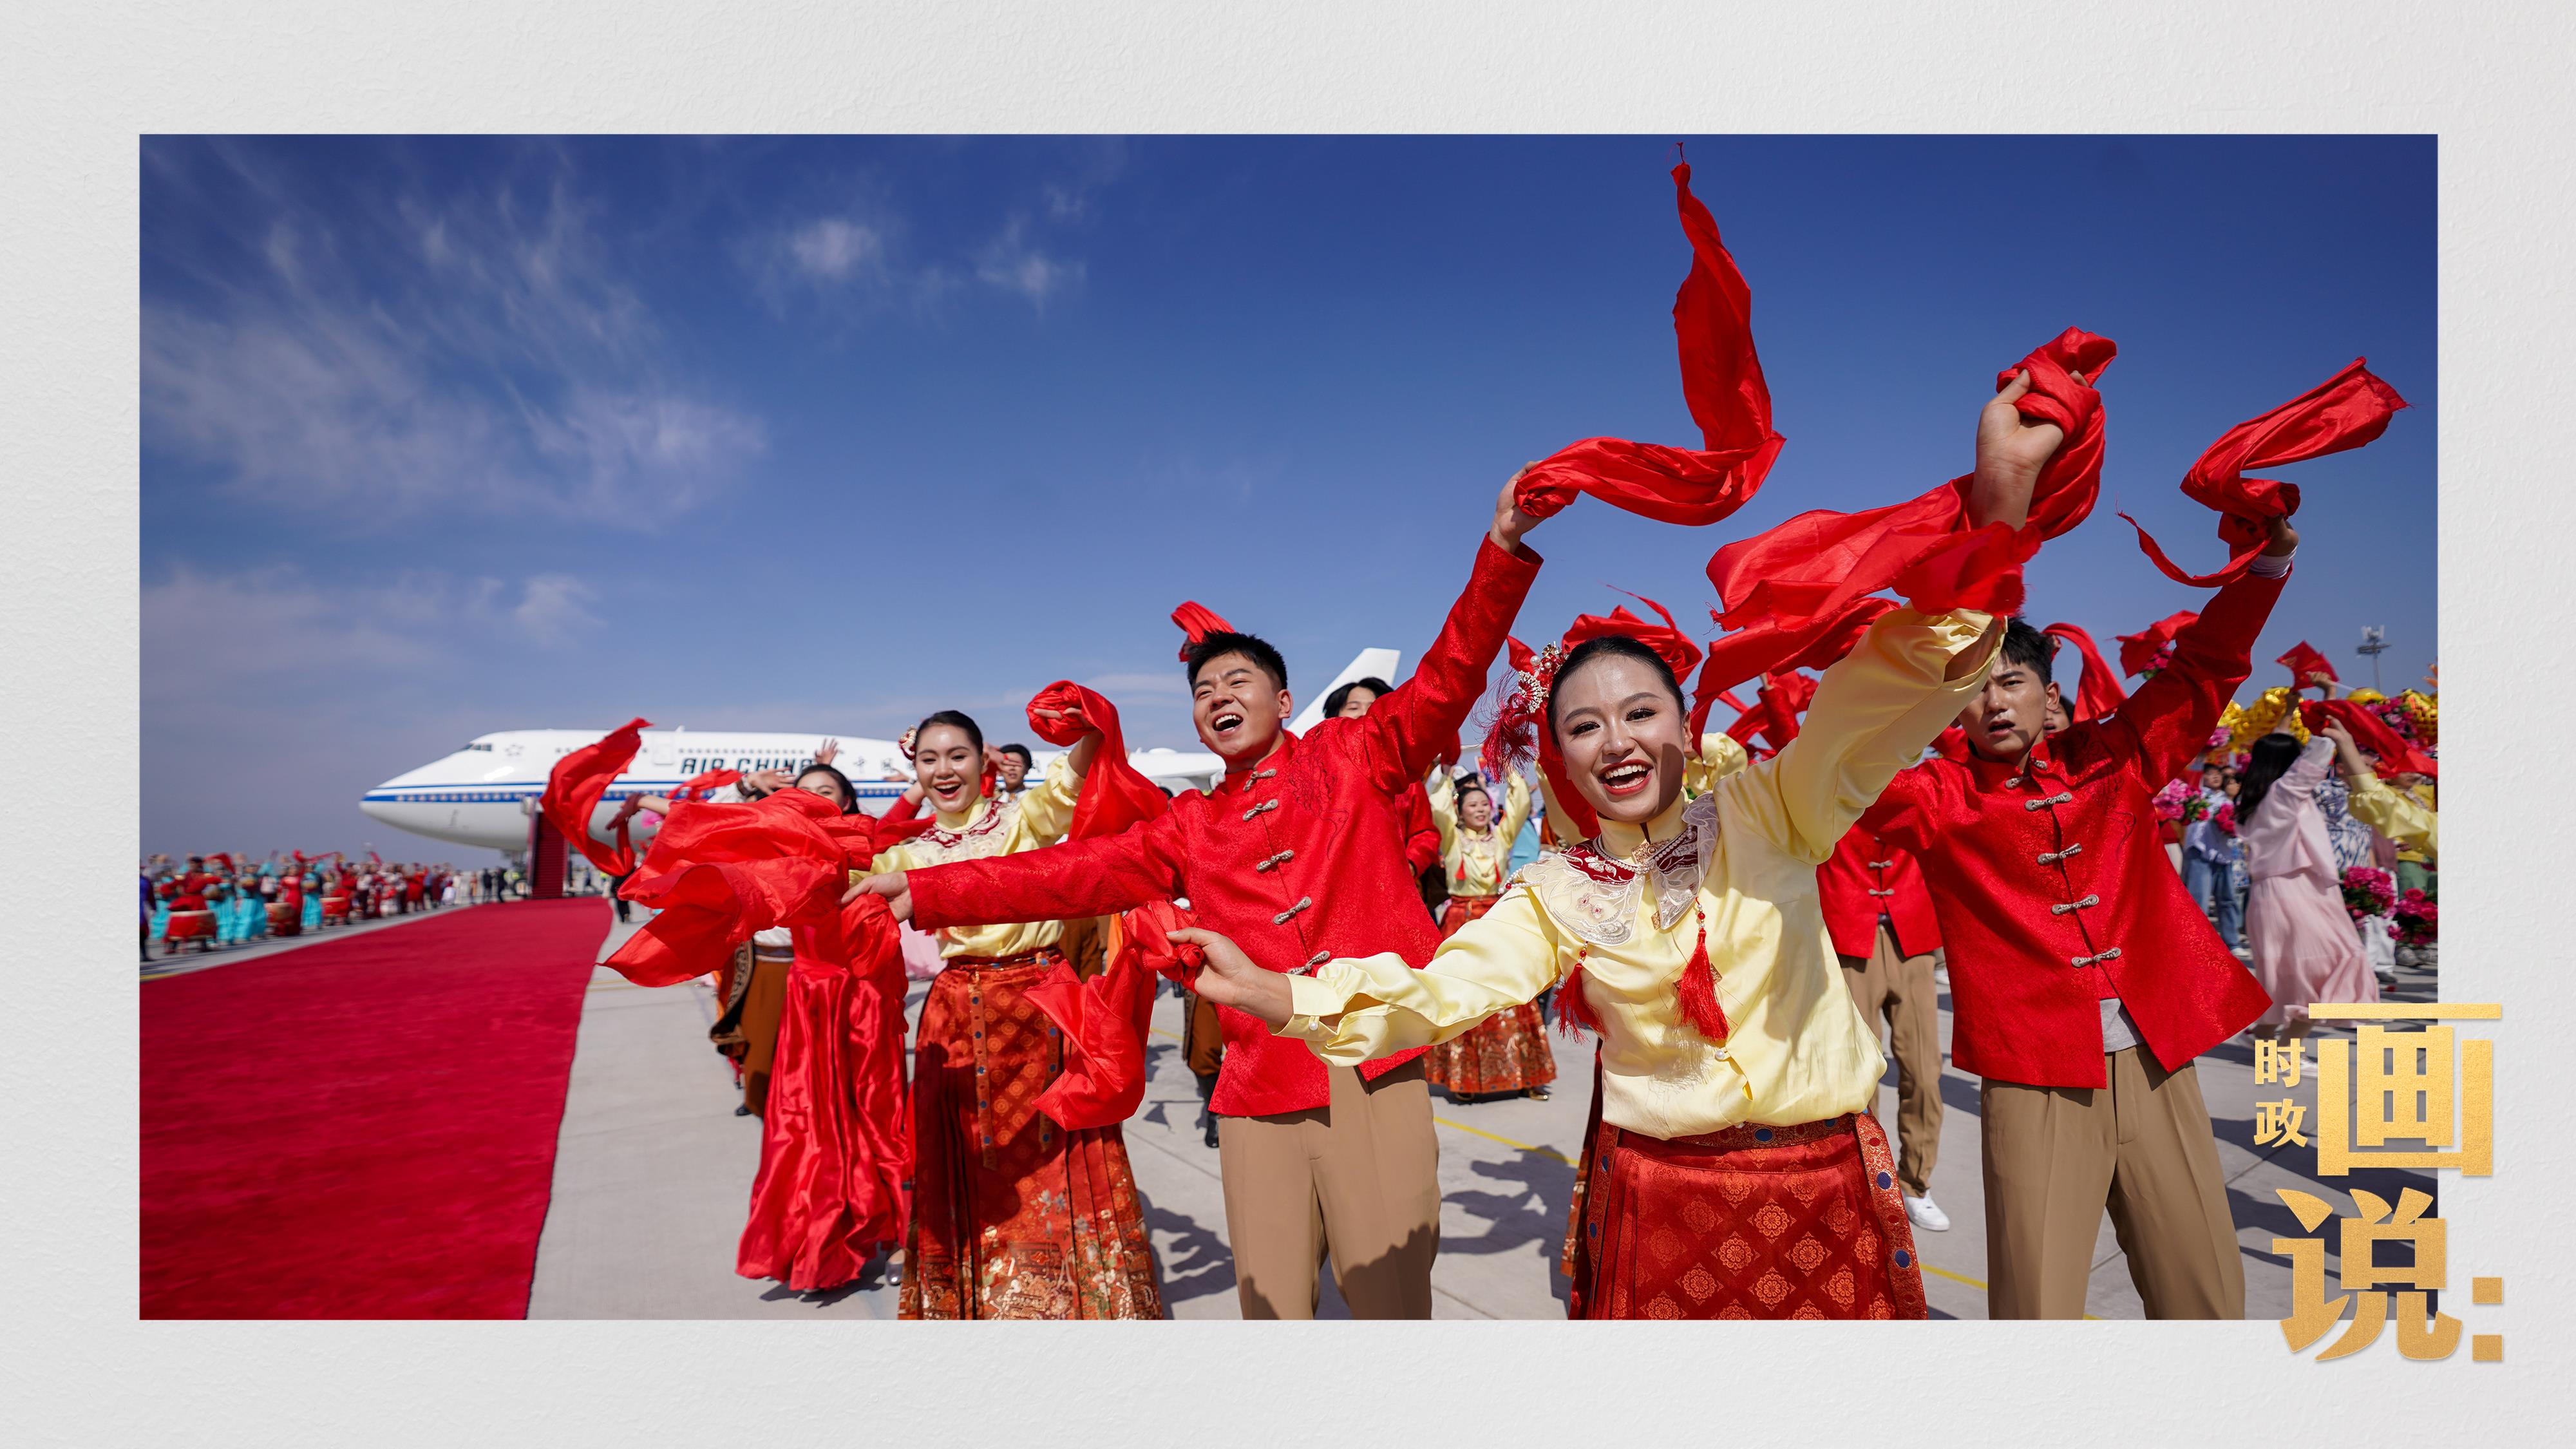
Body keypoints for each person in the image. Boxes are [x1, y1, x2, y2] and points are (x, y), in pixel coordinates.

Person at [1186, 576, 2012, 1319]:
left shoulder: (1768, 811)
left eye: (1640, 714)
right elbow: (1448, 988)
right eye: (1585, 727)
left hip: (1822, 1186)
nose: (1615, 742)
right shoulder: (1558, 888)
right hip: (1664, 1202)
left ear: (1685, 726)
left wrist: (1981, 555)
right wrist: (1284, 995)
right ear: (1565, 759)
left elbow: (1862, 717)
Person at [851, 471, 1549, 1319]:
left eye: (1237, 682)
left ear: (1283, 701)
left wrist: (1501, 549)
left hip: (1369, 1065)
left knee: (1389, 1305)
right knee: (1271, 1310)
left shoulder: (1356, 754)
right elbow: (1066, 871)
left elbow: (1452, 671)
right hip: (1257, 1087)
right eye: (1202, 692)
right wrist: (921, 888)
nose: (1217, 697)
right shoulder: (1189, 824)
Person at [1857, 515, 2298, 1321]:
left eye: (2009, 681)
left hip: (2156, 1060)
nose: (1993, 702)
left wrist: (2265, 566)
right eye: (1969, 689)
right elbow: (1833, 773)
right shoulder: (1937, 798)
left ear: (2049, 693)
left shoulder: (2116, 757)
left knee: (2204, 1293)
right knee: (2037, 1305)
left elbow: (2203, 669)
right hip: (2034, 1078)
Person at [857, 708, 1160, 1320]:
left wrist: (1089, 720)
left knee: (1060, 1154)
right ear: (915, 770)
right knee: (968, 1162)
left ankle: (1080, 1301)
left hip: (1042, 1007)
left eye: (957, 756)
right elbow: (846, 884)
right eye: (929, 760)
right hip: (958, 1015)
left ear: (984, 760)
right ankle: (978, 1303)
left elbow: (1075, 773)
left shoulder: (1024, 818)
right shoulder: (908, 852)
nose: (944, 770)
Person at [1817, 822, 1950, 1233]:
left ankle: (1916, 1184)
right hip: (1848, 931)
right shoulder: (1831, 789)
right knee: (1860, 1076)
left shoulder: (1919, 791)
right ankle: (1868, 1182)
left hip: (1913, 933)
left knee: (1925, 1072)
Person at [1418, 765, 1552, 1101]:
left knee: (1514, 993)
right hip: (1461, 920)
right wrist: (1443, 773)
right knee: (1462, 995)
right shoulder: (1452, 839)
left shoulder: (1501, 837)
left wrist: (1509, 768)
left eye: (1484, 804)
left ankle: (1528, 1076)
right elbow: (1438, 807)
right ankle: (1464, 1080)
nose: (1480, 810)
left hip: (1496, 919)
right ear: (1460, 811)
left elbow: (1519, 804)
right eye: (1472, 805)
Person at [2237, 732, 2378, 1036]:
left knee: (2289, 974)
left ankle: (2266, 1038)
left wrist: (2291, 715)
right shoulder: (2283, 793)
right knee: (2327, 965)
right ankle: (2286, 1046)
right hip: (2294, 890)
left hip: (2281, 891)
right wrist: (2329, 727)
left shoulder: (2256, 798)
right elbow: (2316, 757)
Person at [2318, 715, 2438, 861]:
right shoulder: (2322, 789)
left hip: (2362, 860)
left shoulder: (2422, 797)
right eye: (2366, 766)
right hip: (2332, 859)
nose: (2372, 771)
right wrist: (2345, 743)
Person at [2181, 761, 2246, 953]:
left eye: (2218, 774)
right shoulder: (2196, 795)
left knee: (2228, 899)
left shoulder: (2228, 799)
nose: (2215, 777)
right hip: (2199, 852)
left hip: (2224, 855)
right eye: (2210, 774)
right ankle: (2197, 943)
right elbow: (2194, 770)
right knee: (2199, 900)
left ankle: (2232, 942)